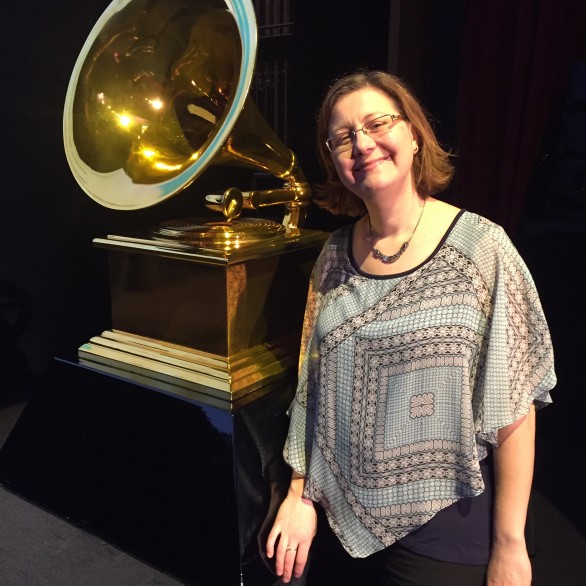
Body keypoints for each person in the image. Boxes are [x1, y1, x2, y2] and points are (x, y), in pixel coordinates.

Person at [265, 70, 556, 585]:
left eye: (378, 123)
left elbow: (515, 406)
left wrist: (512, 546)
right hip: (337, 517)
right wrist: (299, 494)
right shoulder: (332, 255)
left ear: (415, 134)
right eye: (342, 137)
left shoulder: (481, 249)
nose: (362, 143)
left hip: (445, 526)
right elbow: (312, 387)